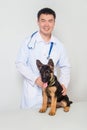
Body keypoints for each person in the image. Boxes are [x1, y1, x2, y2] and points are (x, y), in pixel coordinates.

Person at [15, 7, 71, 109]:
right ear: (38, 22)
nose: (46, 24)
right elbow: (19, 63)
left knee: (51, 123)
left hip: (52, 97)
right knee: (30, 122)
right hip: (32, 97)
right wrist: (35, 79)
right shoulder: (28, 42)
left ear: (54, 23)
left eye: (50, 21)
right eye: (43, 20)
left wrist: (63, 83)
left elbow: (65, 66)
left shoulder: (59, 45)